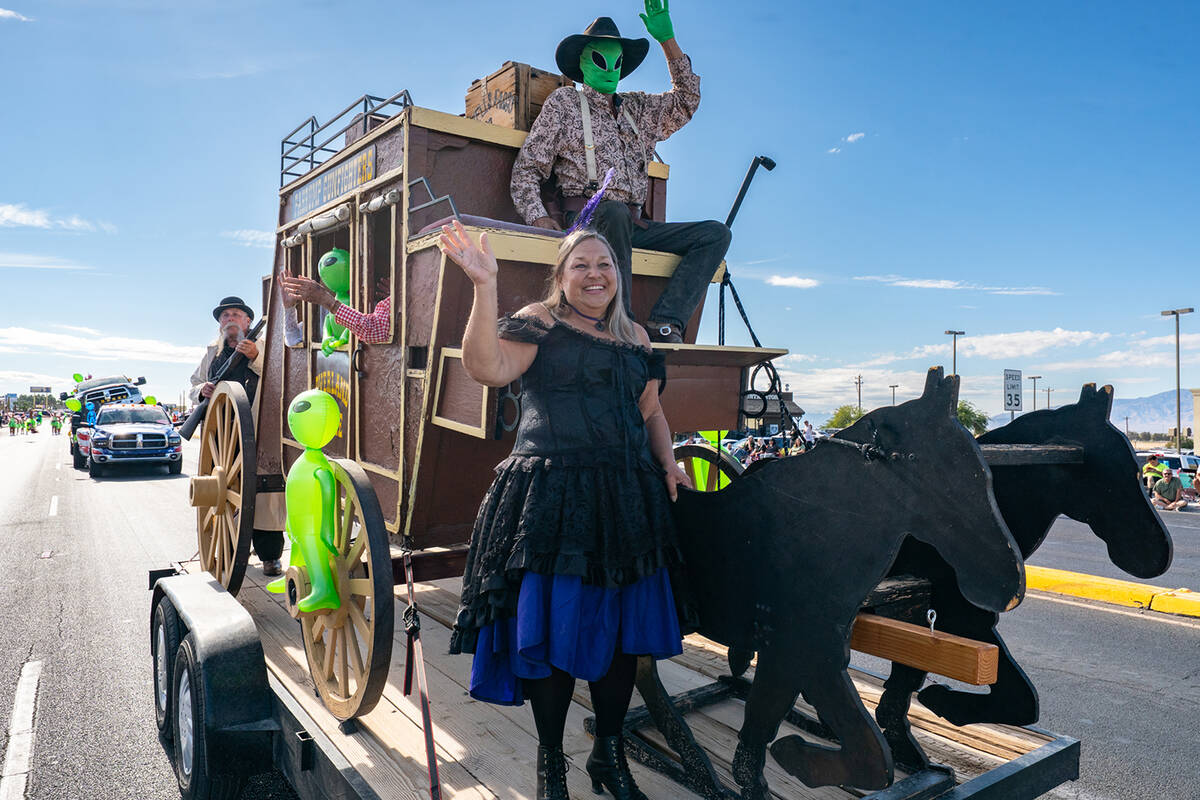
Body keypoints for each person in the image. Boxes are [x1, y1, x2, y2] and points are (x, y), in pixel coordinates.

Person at [440, 218, 692, 800]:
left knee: (623, 643)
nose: (594, 274)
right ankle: (551, 764)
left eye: (604, 264)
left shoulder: (637, 338)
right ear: (562, 276)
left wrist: (669, 460)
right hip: (551, 497)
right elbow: (487, 368)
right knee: (552, 638)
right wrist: (483, 287)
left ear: (617, 277)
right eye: (580, 265)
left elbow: (650, 412)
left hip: (626, 500)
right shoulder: (539, 321)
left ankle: (609, 756)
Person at [510, 2, 731, 344]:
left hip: (631, 224)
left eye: (617, 61)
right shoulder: (565, 104)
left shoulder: (638, 109)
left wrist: (667, 40)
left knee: (715, 234)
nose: (610, 68)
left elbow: (686, 101)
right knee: (611, 211)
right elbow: (526, 169)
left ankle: (665, 323)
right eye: (601, 58)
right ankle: (620, 327)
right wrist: (538, 218)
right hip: (586, 221)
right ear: (584, 61)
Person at [187, 296, 283, 576]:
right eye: (225, 316)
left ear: (248, 321)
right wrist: (201, 390)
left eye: (236, 314)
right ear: (220, 324)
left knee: (266, 495)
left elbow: (279, 376)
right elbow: (193, 384)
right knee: (226, 497)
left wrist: (255, 356)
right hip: (221, 437)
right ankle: (228, 552)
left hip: (257, 428)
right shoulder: (211, 354)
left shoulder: (264, 347)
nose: (230, 319)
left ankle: (270, 556)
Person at [277, 272, 393, 346]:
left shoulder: (372, 306)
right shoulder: (322, 312)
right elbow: (292, 339)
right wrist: (289, 308)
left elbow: (373, 328)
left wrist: (329, 302)